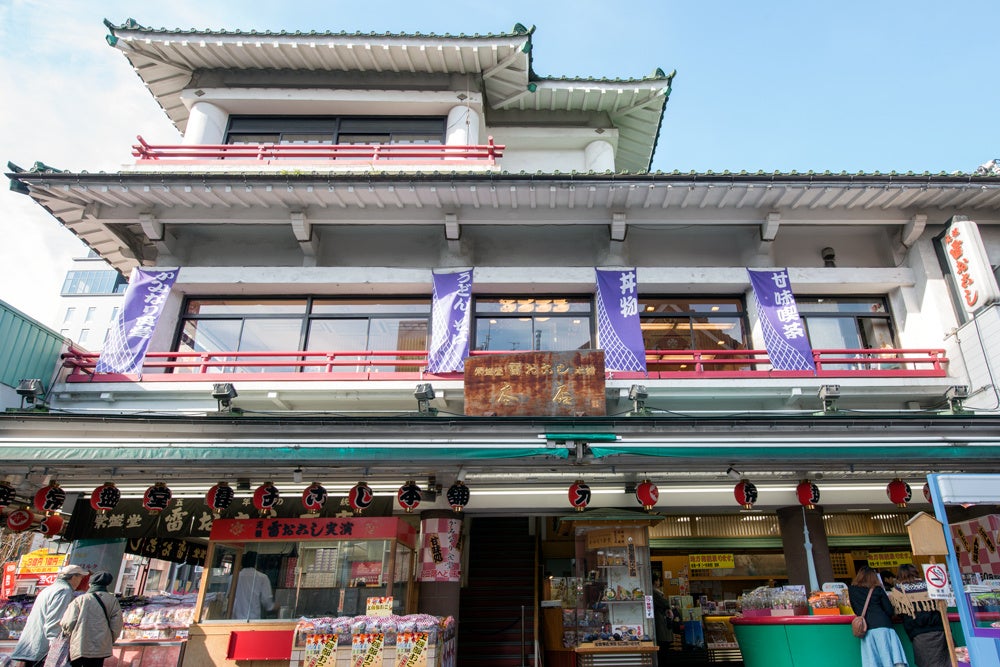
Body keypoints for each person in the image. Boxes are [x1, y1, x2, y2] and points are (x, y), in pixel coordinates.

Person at [10, 565, 88, 667]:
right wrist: (55, 649)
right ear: (73, 577)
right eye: (80, 577)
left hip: (31, 645)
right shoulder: (64, 591)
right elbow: (55, 622)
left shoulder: (49, 589)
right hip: (43, 649)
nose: (81, 581)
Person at [888, 564, 950, 667]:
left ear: (899, 575)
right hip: (940, 631)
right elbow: (943, 606)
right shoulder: (929, 586)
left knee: (927, 663)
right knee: (946, 662)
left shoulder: (898, 591)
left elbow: (894, 611)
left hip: (919, 635)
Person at [60, 571, 123, 667]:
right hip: (101, 647)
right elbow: (117, 625)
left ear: (90, 584)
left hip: (80, 645)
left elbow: (67, 622)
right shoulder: (113, 600)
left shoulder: (80, 599)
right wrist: (109, 639)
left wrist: (70, 635)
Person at [849, 566, 908, 667]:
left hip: (867, 630)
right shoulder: (877, 589)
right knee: (891, 661)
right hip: (884, 628)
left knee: (873, 662)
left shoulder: (852, 590)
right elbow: (889, 610)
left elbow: (856, 610)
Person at [232, 552, 277, 620]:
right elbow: (267, 602)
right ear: (256, 564)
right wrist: (276, 607)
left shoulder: (233, 577)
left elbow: (228, 598)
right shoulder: (262, 578)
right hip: (253, 621)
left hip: (234, 620)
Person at [651, 572, 673, 660]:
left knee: (663, 651)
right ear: (655, 581)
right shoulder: (655, 592)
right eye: (658, 580)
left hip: (660, 625)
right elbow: (665, 603)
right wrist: (669, 608)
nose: (659, 582)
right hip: (661, 625)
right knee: (663, 651)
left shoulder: (656, 592)